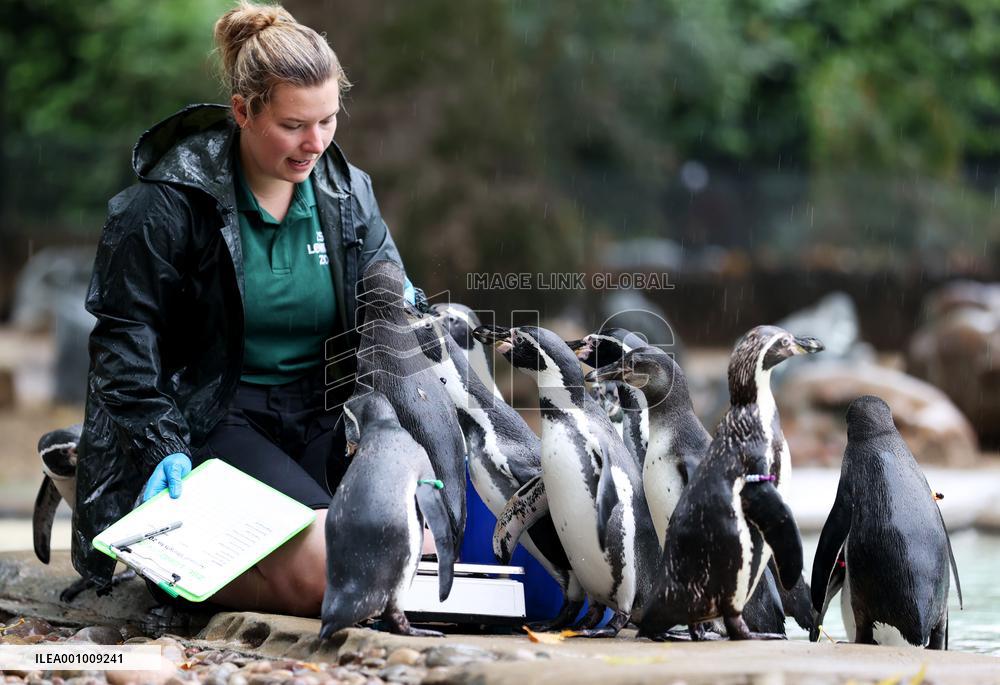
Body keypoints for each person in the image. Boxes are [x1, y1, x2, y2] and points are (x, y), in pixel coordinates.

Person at [71, 1, 422, 616]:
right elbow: (124, 337)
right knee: (341, 570)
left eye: (328, 120)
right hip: (214, 415)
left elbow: (388, 297)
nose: (315, 143)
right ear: (243, 112)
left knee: (411, 554)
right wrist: (159, 441)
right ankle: (165, 564)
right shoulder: (166, 203)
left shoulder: (348, 192)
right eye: (293, 125)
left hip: (321, 415)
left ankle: (226, 553)